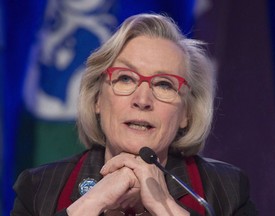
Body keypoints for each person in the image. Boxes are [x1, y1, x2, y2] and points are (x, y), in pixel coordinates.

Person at [11, 13, 257, 216]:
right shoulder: (39, 189)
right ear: (97, 99)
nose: (142, 100)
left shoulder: (227, 191)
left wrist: (164, 206)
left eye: (164, 85)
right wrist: (90, 205)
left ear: (187, 113)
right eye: (125, 79)